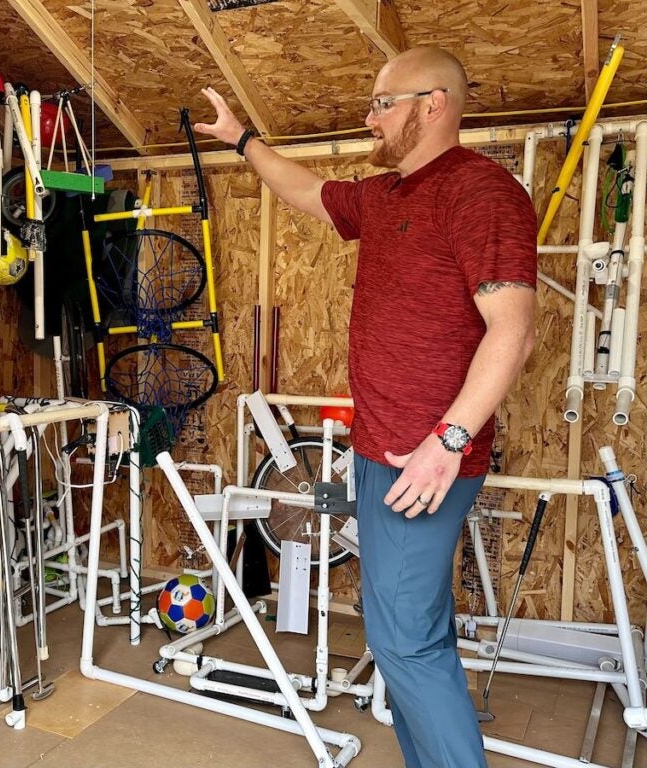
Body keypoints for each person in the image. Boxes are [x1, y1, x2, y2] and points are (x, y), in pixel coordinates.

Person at [194, 47, 537, 767]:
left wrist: (448, 441)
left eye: (384, 102)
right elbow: (309, 191)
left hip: (427, 462)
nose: (369, 115)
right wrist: (243, 141)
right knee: (415, 633)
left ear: (434, 104)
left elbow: (514, 327)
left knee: (401, 643)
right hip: (382, 452)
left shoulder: (481, 192)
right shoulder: (386, 197)